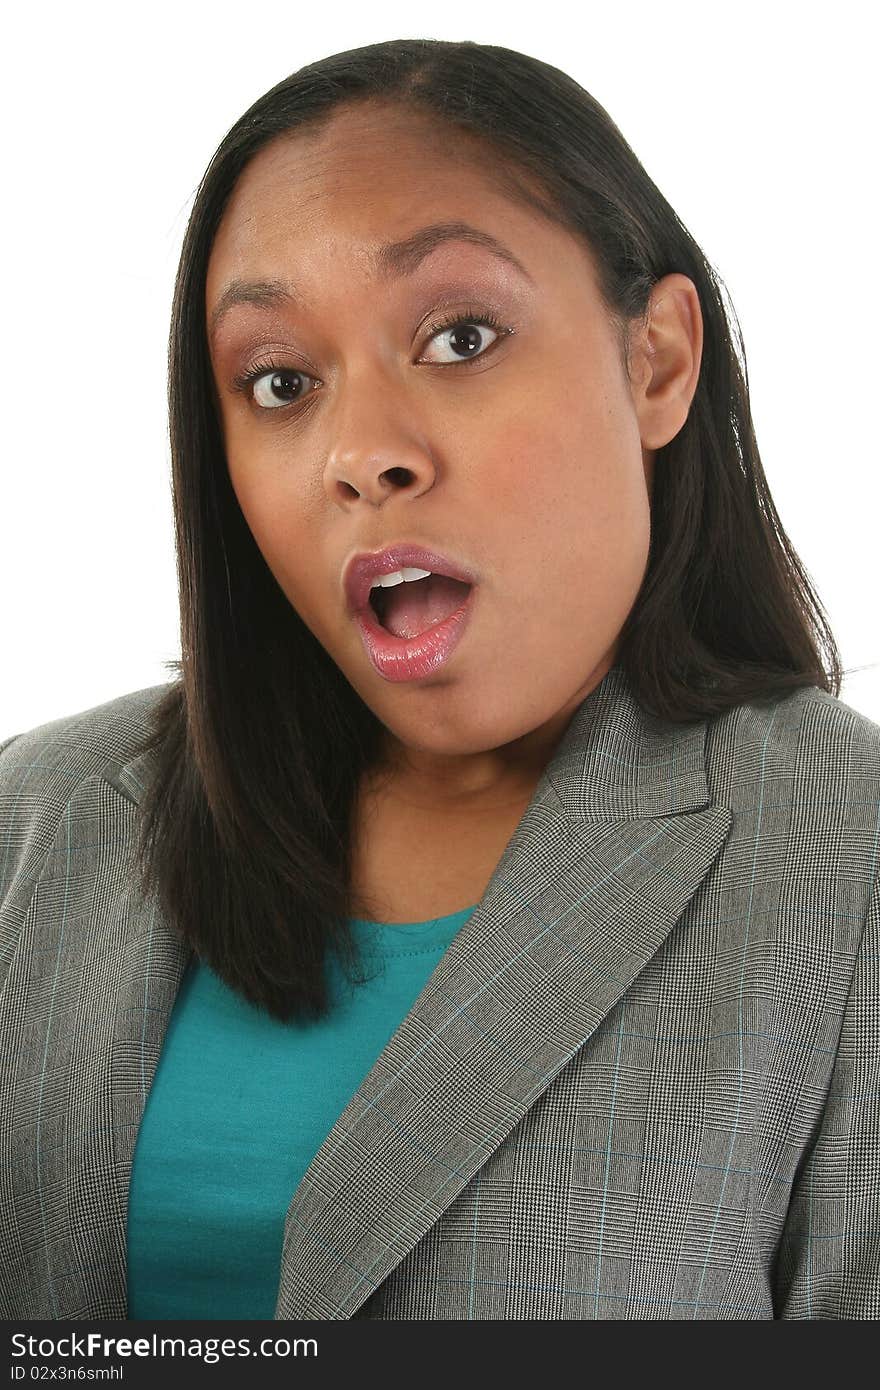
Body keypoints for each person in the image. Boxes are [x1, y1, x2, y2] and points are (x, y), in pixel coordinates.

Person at [1, 37, 877, 1323]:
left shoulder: (840, 851)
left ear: (657, 362)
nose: (363, 454)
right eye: (282, 381)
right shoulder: (37, 818)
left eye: (460, 337)